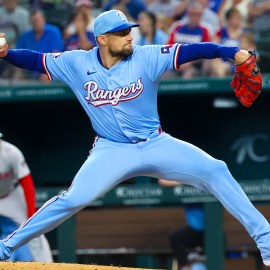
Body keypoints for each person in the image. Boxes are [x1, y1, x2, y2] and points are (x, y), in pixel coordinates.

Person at [0, 9, 268, 267]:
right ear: (102, 39)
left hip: (155, 144)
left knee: (216, 169)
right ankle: (5, 247)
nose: (129, 36)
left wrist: (232, 52)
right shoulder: (77, 62)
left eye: (129, 30)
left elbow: (194, 50)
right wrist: (7, 53)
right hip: (111, 149)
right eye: (121, 32)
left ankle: (266, 240)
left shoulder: (147, 56)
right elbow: (36, 60)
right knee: (72, 199)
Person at [0, 133, 53, 262]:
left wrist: (31, 215)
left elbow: (27, 184)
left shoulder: (11, 152)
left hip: (11, 196)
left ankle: (46, 263)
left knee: (33, 231)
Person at [159, 179, 206, 270]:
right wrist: (186, 182)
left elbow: (204, 181)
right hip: (193, 230)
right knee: (175, 236)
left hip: (210, 230)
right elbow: (162, 181)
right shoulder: (184, 179)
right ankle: (185, 266)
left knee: (219, 237)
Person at [16, 8, 63, 81]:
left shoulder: (53, 32)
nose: (35, 23)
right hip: (28, 72)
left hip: (48, 71)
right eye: (33, 21)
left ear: (43, 19)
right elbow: (18, 56)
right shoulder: (26, 35)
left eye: (37, 20)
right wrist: (19, 72)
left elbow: (56, 55)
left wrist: (48, 72)